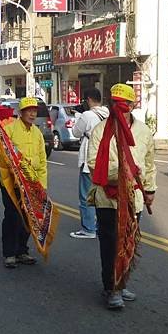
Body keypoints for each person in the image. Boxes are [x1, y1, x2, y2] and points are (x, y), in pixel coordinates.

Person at [87, 84, 156, 310]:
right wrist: (123, 172)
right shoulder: (100, 131)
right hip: (108, 198)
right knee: (110, 244)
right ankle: (111, 287)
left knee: (128, 243)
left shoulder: (144, 131)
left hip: (134, 198)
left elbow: (148, 164)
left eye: (125, 105)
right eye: (116, 105)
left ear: (132, 106)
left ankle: (122, 282)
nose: (121, 110)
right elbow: (94, 165)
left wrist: (150, 189)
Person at [1, 97, 47, 268]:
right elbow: (3, 155)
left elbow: (42, 161)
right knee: (13, 216)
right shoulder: (10, 129)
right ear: (21, 113)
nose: (33, 113)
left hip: (32, 183)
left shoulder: (37, 133)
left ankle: (22, 250)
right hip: (11, 183)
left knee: (29, 218)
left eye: (35, 110)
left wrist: (42, 185)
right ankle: (10, 253)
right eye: (29, 110)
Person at [70, 88, 109, 239]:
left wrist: (78, 116)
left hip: (89, 159)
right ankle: (100, 225)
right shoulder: (108, 114)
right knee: (102, 195)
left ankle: (88, 228)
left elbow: (76, 132)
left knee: (86, 195)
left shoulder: (87, 115)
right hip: (105, 159)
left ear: (89, 100)